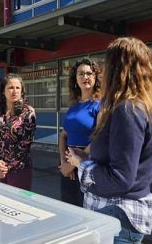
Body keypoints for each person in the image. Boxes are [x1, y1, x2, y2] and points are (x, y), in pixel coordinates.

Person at [66, 37, 152, 243]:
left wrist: (82, 163)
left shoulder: (127, 110)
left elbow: (120, 178)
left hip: (117, 216)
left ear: (118, 67)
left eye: (107, 63)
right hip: (117, 215)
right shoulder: (140, 106)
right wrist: (89, 155)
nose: (103, 70)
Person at [59, 58, 100, 207]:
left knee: (85, 210)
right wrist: (64, 162)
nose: (85, 77)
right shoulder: (73, 107)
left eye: (89, 73)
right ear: (75, 79)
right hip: (68, 164)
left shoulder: (99, 106)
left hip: (87, 163)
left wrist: (76, 162)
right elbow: (63, 135)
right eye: (80, 74)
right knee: (69, 207)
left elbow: (99, 138)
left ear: (95, 78)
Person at [0, 74, 36, 190]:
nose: (14, 91)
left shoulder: (28, 112)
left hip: (19, 169)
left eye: (18, 88)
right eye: (11, 87)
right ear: (3, 90)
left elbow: (25, 145)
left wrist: (5, 168)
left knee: (17, 204)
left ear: (22, 91)